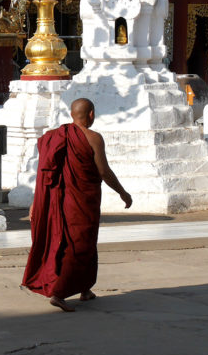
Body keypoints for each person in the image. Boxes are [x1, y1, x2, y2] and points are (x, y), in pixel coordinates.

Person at [22, 98, 132, 312]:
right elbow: (104, 172)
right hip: (80, 201)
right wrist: (122, 192)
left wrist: (37, 201)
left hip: (60, 200)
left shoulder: (53, 137)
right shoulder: (93, 138)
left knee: (81, 241)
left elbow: (44, 172)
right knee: (79, 244)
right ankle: (59, 293)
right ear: (91, 114)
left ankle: (85, 289)